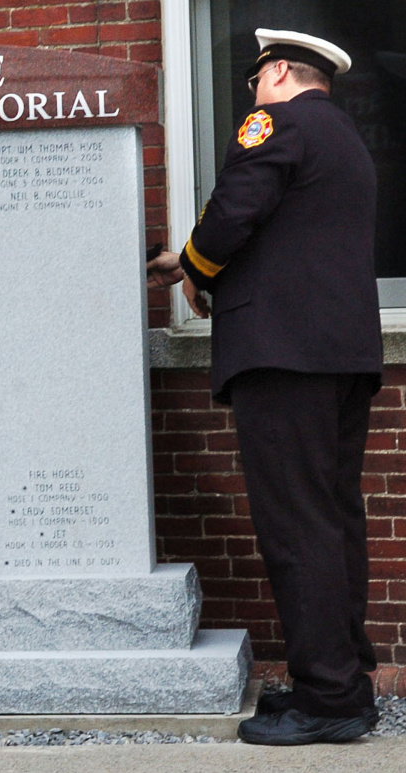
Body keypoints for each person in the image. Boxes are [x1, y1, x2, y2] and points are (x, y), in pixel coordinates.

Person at [157, 29, 383, 745]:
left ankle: (329, 699)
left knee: (297, 526)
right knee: (333, 518)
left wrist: (193, 267)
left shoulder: (277, 122)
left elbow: (233, 211)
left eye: (257, 79)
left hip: (283, 355)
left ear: (280, 71)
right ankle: (342, 678)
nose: (251, 94)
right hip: (340, 354)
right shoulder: (345, 137)